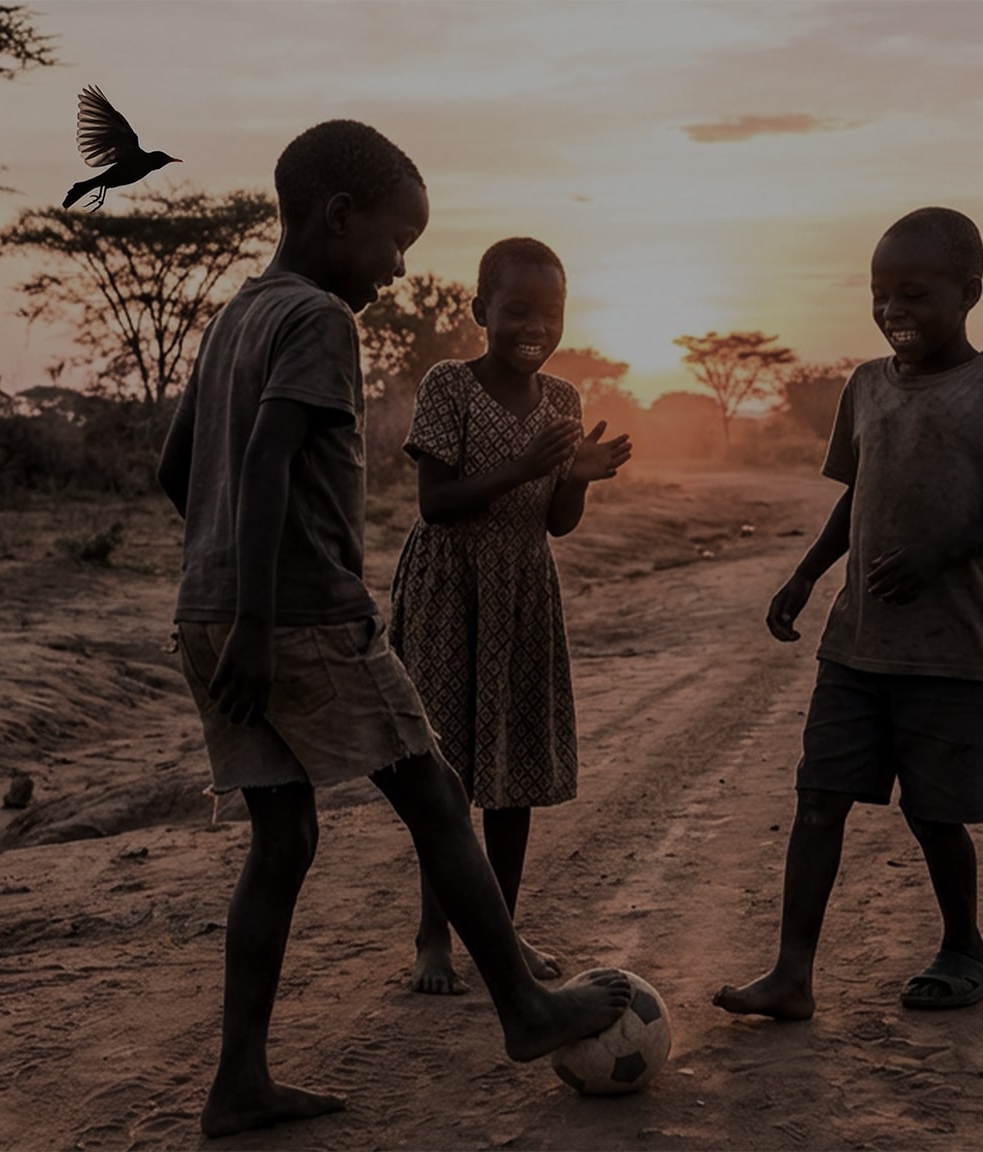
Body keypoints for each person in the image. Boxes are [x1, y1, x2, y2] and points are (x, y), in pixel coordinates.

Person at [156, 120, 631, 1139]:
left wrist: (223, 593)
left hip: (213, 615)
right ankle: (523, 1006)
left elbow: (177, 468)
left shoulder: (236, 314)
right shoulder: (321, 319)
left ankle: (238, 1080)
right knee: (435, 792)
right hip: (299, 616)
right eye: (392, 242)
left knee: (281, 838)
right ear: (337, 219)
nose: (397, 265)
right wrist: (262, 611)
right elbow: (272, 461)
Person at [713, 206, 983, 1022]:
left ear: (969, 293)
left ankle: (965, 949)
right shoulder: (866, 384)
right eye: (879, 294)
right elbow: (855, 499)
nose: (892, 310)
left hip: (952, 652)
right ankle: (792, 974)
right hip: (857, 644)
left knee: (936, 814)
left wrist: (939, 553)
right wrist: (804, 576)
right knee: (818, 797)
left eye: (914, 293)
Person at [389, 237, 633, 996]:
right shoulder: (449, 387)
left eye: (550, 311)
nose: (535, 325)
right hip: (448, 588)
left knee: (513, 771)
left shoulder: (563, 400)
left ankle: (501, 930)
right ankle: (434, 932)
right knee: (448, 772)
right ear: (480, 311)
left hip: (524, 590)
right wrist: (526, 466)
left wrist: (578, 479)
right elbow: (436, 504)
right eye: (517, 309)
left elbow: (556, 522)